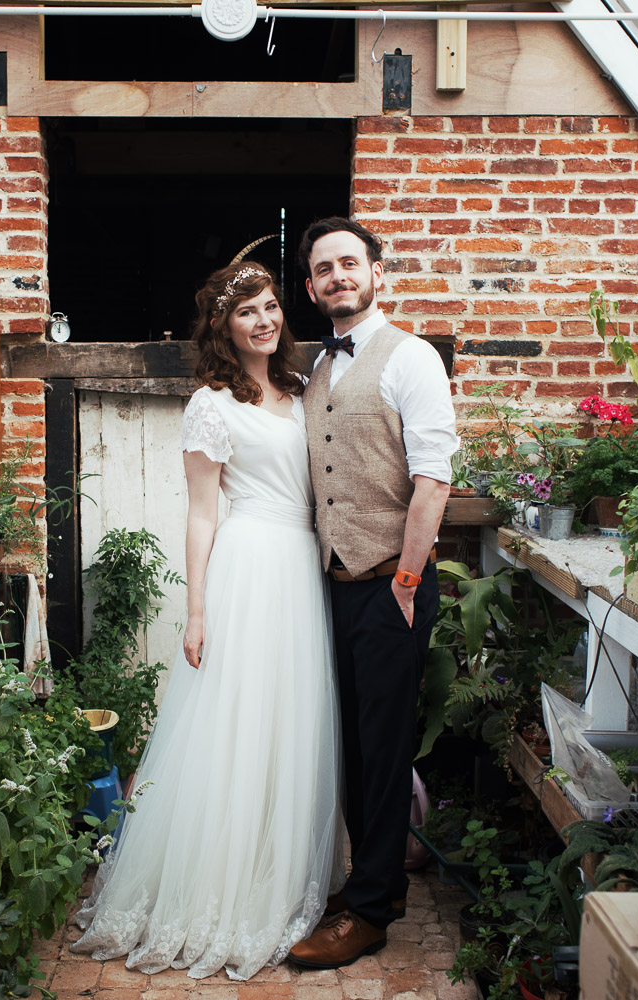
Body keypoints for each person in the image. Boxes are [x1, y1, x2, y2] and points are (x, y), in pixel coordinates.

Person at [70, 261, 344, 980]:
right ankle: (217, 885)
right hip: (248, 567)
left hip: (301, 571)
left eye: (271, 307)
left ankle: (275, 866)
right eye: (247, 311)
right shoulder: (211, 404)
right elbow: (200, 511)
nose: (264, 320)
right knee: (236, 719)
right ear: (223, 326)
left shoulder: (302, 388)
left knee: (288, 720)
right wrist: (195, 609)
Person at [287, 217, 458, 969]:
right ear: (311, 287)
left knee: (383, 753)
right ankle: (367, 882)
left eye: (349, 263)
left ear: (377, 272)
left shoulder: (409, 357)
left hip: (393, 583)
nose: (338, 277)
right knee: (351, 744)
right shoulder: (318, 369)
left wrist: (409, 582)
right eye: (324, 269)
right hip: (333, 585)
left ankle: (373, 909)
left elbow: (433, 478)